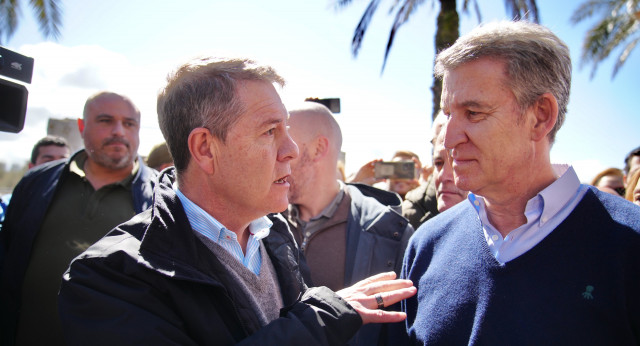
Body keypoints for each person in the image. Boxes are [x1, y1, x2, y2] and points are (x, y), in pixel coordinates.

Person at [58, 57, 416, 345]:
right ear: (204, 148)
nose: (291, 150)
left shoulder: (272, 231)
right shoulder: (109, 277)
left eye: (287, 129)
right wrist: (322, 317)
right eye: (270, 131)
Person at [401, 21, 640, 344]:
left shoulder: (629, 247)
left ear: (540, 116)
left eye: (473, 113)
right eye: (448, 115)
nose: (450, 139)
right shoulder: (426, 246)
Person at [0, 91, 157, 346]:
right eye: (106, 121)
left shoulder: (162, 197)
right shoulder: (37, 182)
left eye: (129, 124)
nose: (119, 131)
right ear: (82, 126)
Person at [285, 101, 414, 345]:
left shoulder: (390, 231)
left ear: (318, 148)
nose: (276, 155)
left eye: (287, 145)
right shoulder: (261, 224)